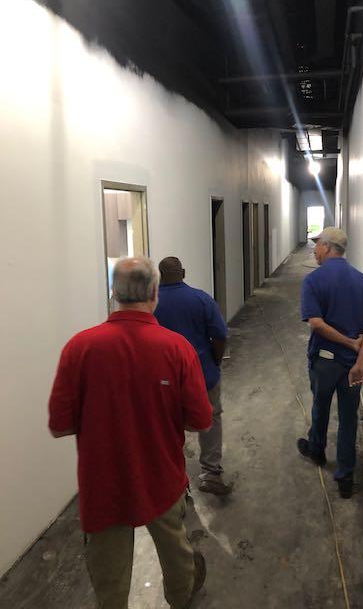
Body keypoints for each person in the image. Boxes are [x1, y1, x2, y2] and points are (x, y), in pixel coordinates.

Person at [48, 257, 213, 609]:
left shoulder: (79, 348)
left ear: (114, 293)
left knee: (109, 584)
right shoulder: (176, 348)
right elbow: (200, 420)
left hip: (102, 487)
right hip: (162, 480)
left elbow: (60, 425)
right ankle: (181, 599)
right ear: (155, 293)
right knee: (177, 559)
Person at [298, 227, 363, 498]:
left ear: (328, 247)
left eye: (317, 244)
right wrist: (360, 359)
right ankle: (345, 476)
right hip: (353, 366)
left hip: (325, 362)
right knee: (348, 419)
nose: (314, 250)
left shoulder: (313, 281)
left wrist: (348, 343)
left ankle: (317, 451)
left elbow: (316, 323)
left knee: (320, 407)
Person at [154, 257, 231, 496]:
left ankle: (176, 483)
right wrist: (214, 362)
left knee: (167, 426)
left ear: (160, 275)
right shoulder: (201, 299)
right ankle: (211, 473)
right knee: (210, 417)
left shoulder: (150, 303)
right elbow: (220, 335)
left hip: (164, 379)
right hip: (202, 372)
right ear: (184, 273)